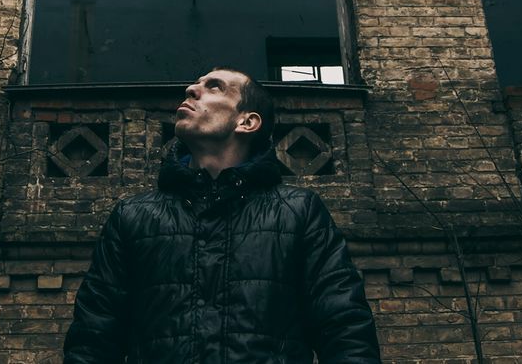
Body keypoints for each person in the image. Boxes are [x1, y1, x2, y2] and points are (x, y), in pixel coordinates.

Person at [64, 67, 382, 363]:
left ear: (247, 122)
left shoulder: (298, 212)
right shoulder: (134, 216)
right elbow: (92, 340)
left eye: (213, 86)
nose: (191, 89)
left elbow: (345, 330)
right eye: (197, 84)